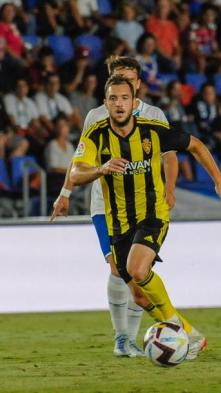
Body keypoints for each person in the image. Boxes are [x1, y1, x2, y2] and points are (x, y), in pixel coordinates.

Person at [69, 75, 221, 361]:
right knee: (138, 296)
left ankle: (177, 330)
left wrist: (219, 180)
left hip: (152, 214)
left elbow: (196, 145)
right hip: (118, 223)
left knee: (138, 269)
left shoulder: (153, 130)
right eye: (113, 99)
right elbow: (75, 173)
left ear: (134, 101)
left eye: (124, 98)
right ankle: (191, 335)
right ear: (105, 103)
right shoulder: (95, 135)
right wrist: (100, 169)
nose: (119, 104)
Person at [50, 56, 179, 358]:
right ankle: (123, 337)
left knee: (137, 272)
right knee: (118, 269)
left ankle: (138, 337)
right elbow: (80, 158)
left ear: (138, 84)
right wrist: (65, 192)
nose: (124, 83)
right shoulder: (96, 115)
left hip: (145, 204)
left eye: (129, 79)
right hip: (105, 205)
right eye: (118, 77)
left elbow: (170, 155)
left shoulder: (155, 114)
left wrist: (169, 188)